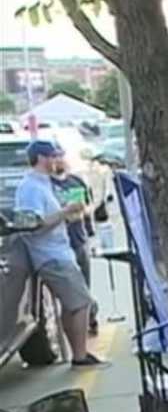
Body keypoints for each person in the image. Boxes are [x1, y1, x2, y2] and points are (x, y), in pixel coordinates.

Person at [13, 140, 107, 368]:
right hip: (51, 255)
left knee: (71, 304)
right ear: (42, 158)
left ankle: (78, 352)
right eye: (54, 156)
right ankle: (80, 355)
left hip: (58, 250)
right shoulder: (31, 188)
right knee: (82, 302)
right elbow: (32, 224)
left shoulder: (43, 184)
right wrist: (64, 213)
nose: (58, 161)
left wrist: (67, 216)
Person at [50, 155, 100, 335]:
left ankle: (91, 317)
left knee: (85, 284)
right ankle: (75, 325)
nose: (60, 161)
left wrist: (85, 213)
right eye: (56, 157)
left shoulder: (76, 181)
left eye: (62, 156)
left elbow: (90, 205)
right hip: (61, 244)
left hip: (80, 239)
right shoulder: (48, 186)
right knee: (71, 290)